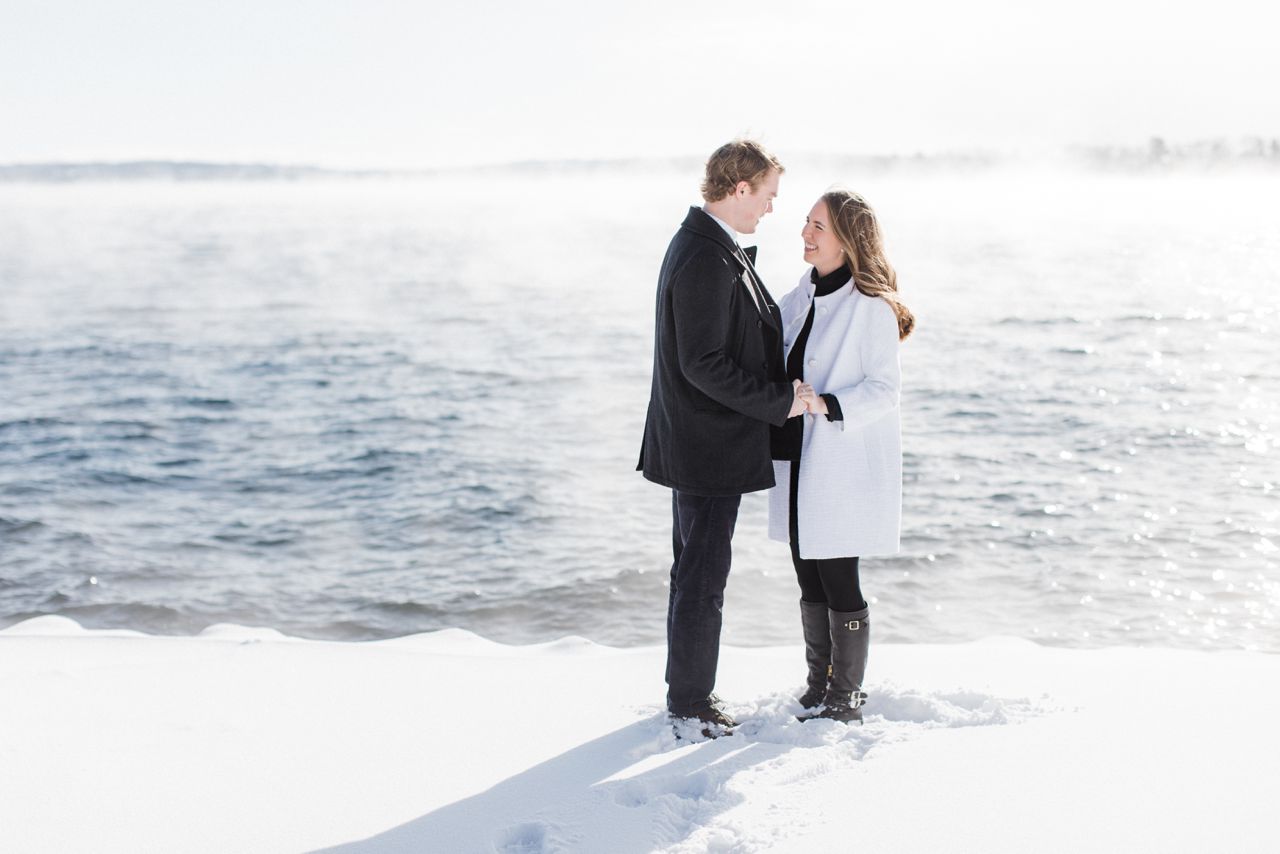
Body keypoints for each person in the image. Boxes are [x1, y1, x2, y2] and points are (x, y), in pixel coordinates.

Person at [638, 140, 808, 738]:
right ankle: (691, 704)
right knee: (702, 578)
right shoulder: (705, 255)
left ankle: (686, 693)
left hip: (699, 442)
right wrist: (783, 401)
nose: (770, 209)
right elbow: (703, 364)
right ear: (740, 188)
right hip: (706, 446)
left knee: (694, 573)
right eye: (767, 196)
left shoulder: (708, 245)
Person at [768, 188, 914, 723]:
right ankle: (818, 683)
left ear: (848, 239)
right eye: (806, 222)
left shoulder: (869, 307)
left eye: (818, 227)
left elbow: (884, 390)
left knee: (837, 574)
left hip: (839, 461)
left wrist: (827, 404)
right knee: (806, 570)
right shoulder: (799, 295)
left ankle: (846, 692)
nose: (805, 233)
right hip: (797, 456)